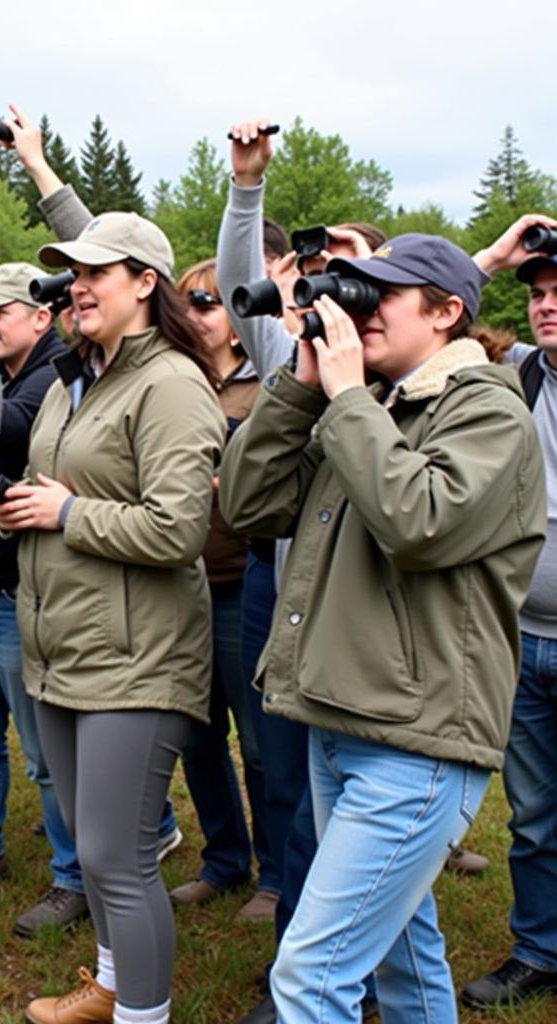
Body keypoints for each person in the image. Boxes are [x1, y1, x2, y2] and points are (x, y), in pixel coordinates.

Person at [220, 231, 546, 1024]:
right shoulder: (371, 403)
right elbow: (248, 507)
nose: (356, 310)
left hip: (417, 738)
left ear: (447, 313)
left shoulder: (488, 410)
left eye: (380, 295)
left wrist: (346, 399)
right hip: (346, 717)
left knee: (310, 976)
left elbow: (421, 522)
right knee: (403, 959)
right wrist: (302, 386)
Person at [0, 106, 225, 1024]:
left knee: (119, 857)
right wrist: (28, 509)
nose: (76, 287)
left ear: (144, 282)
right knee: (93, 856)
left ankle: (142, 1014)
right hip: (63, 650)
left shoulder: (168, 383)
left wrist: (67, 511)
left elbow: (175, 531)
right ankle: (111, 983)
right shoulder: (76, 376)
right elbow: (62, 487)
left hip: (137, 660)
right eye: (70, 273)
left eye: (94, 273)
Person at [0, 262, 91, 935]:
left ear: (41, 315)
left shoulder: (57, 374)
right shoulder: (3, 374)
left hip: (19, 589)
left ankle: (74, 875)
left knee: (45, 750)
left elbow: (11, 432)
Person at [460, 212, 557, 1011]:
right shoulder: (518, 373)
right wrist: (492, 256)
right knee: (533, 812)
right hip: (522, 634)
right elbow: (433, 305)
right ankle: (540, 949)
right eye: (540, 293)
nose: (547, 305)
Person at [166, 259, 278, 919]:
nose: (192, 316)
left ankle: (277, 875)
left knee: (261, 744)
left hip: (244, 586)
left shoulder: (270, 384)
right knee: (195, 735)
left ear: (240, 323)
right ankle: (224, 861)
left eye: (205, 304)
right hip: (180, 588)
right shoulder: (176, 382)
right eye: (186, 305)